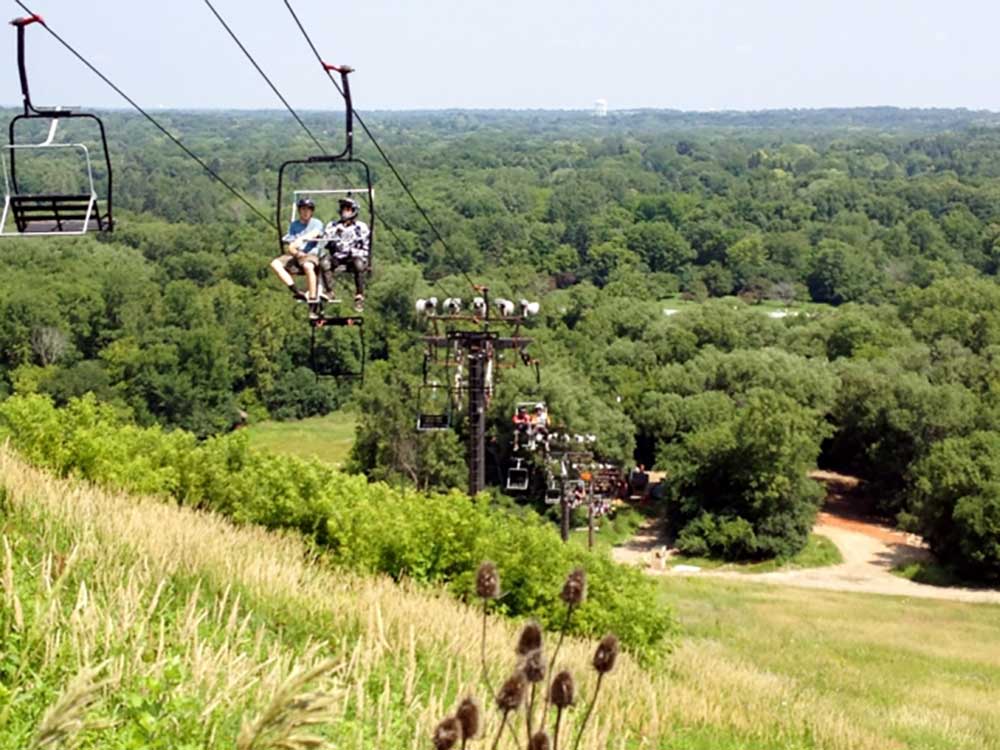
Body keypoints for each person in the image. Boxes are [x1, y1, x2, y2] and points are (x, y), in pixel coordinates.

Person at [317, 197, 370, 312]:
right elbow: (323, 243)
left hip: (353, 257)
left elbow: (366, 246)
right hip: (337, 255)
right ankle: (329, 292)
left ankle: (359, 295)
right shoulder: (333, 225)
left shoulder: (361, 227)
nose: (345, 211)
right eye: (343, 208)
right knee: (324, 263)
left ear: (354, 211)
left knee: (359, 264)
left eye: (348, 209)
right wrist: (332, 235)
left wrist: (356, 253)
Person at [270, 198, 325, 303]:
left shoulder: (316, 223)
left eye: (308, 209)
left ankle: (312, 296)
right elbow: (290, 240)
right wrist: (294, 250)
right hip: (296, 254)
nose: (305, 212)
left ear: (311, 211)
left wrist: (300, 240)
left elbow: (315, 233)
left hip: (310, 254)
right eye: (303, 209)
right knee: (275, 264)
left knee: (308, 266)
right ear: (299, 210)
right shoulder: (294, 225)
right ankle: (296, 291)